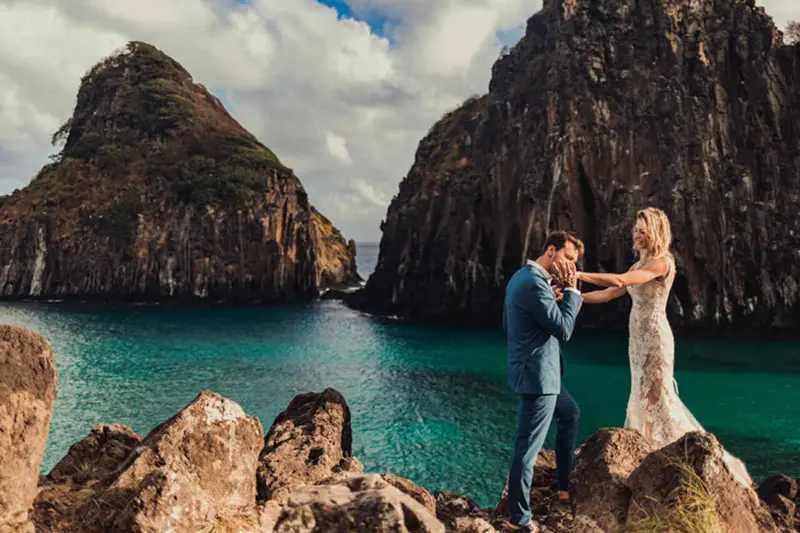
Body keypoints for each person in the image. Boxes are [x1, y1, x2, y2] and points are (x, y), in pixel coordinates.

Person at [577, 207, 752, 488]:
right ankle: (646, 453)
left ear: (657, 231)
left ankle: (694, 459)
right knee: (641, 394)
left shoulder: (662, 263)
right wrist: (574, 297)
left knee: (659, 398)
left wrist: (578, 274)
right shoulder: (639, 264)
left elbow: (620, 281)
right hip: (637, 340)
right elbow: (610, 293)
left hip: (656, 340)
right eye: (636, 229)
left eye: (644, 230)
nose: (638, 234)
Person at [502, 231, 584, 532]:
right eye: (568, 258)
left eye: (575, 263)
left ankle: (564, 485)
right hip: (538, 377)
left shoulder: (521, 278)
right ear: (551, 250)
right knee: (527, 450)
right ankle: (518, 519)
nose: (571, 267)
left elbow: (507, 323)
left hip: (540, 373)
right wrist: (572, 293)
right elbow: (563, 330)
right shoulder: (534, 285)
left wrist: (555, 292)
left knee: (570, 413)